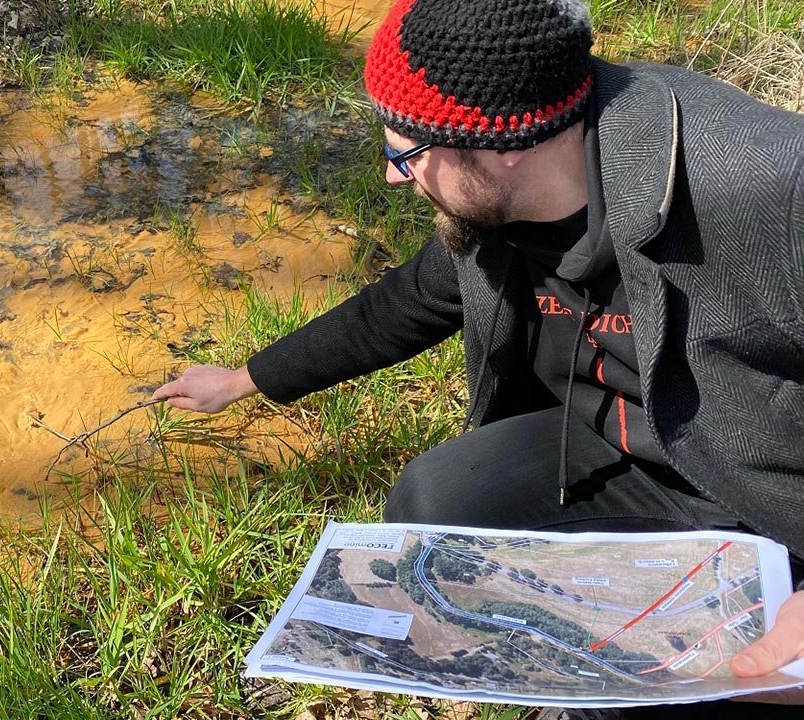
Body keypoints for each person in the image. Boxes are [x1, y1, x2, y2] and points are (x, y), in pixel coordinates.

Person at [152, 0, 804, 716]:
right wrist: (244, 379)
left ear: (504, 146)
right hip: (623, 458)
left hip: (772, 498)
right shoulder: (497, 201)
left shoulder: (767, 185)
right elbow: (407, 303)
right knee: (436, 510)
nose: (395, 177)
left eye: (408, 154)